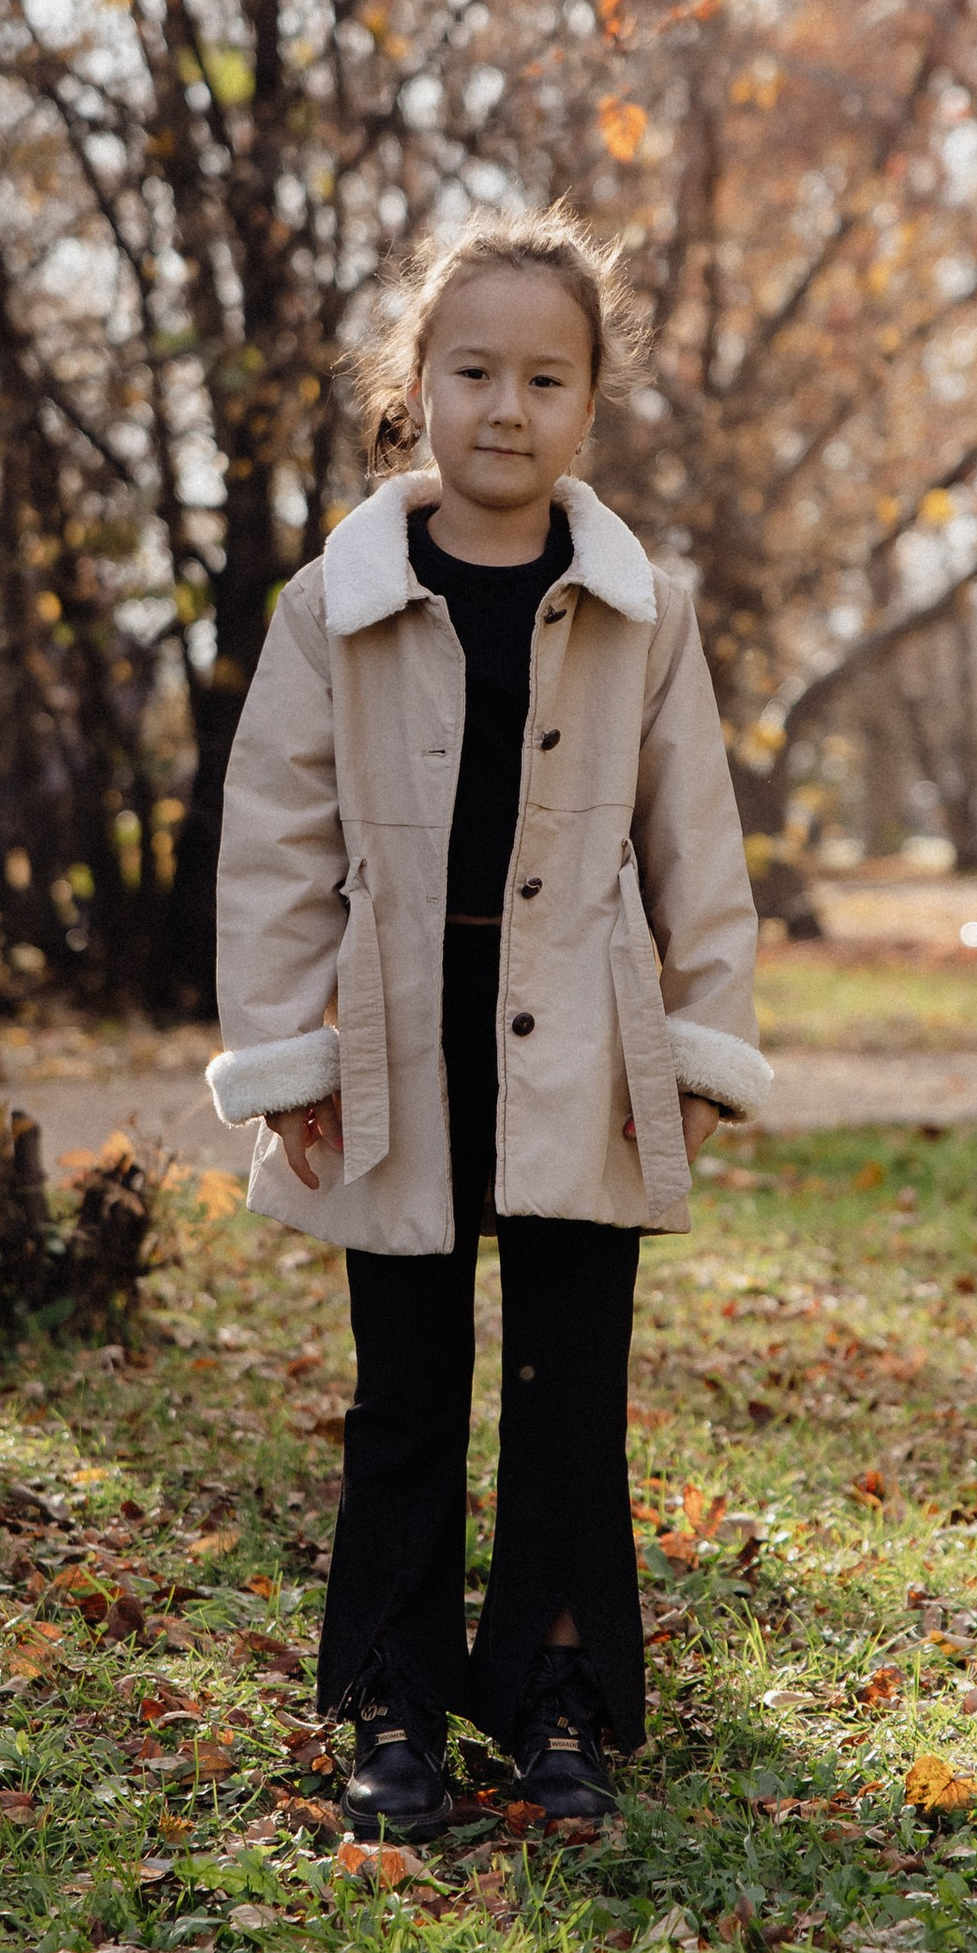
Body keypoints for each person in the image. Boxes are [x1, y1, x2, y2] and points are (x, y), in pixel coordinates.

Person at [204, 206, 771, 1840]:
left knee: (570, 1379)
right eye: (472, 373)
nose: (505, 410)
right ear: (416, 387)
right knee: (406, 1381)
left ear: (590, 405)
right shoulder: (341, 602)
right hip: (396, 1030)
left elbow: (697, 843)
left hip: (585, 1041)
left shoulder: (637, 610)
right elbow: (276, 845)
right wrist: (288, 1058)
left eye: (543, 379)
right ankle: (392, 1700)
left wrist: (706, 1037)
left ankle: (559, 1694)